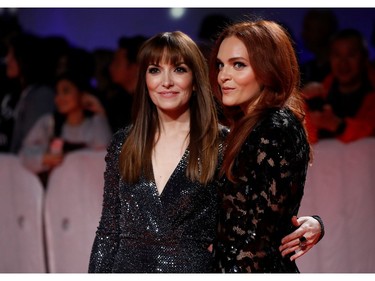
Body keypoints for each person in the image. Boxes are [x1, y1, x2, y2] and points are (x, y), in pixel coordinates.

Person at [88, 30, 323, 273]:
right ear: (144, 80)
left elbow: (254, 216)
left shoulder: (224, 143)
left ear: (196, 80)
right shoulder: (123, 143)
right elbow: (107, 232)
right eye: (154, 70)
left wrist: (312, 224)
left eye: (179, 69)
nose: (165, 81)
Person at [208, 20, 313, 272]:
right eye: (221, 65)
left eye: (238, 65)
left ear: (268, 68)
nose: (223, 75)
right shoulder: (251, 126)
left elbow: (258, 240)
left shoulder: (274, 128)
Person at [18, 71, 112, 187]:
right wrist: (44, 158)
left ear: (82, 94)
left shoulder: (94, 125)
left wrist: (99, 112)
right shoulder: (49, 124)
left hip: (88, 190)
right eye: (57, 93)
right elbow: (24, 154)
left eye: (66, 91)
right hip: (58, 191)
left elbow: (104, 152)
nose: (59, 98)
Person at [303, 28, 375, 143]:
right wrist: (300, 101)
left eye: (351, 55)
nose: (343, 63)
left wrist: (338, 126)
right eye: (337, 55)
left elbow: (371, 130)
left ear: (364, 58)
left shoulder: (372, 93)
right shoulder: (317, 94)